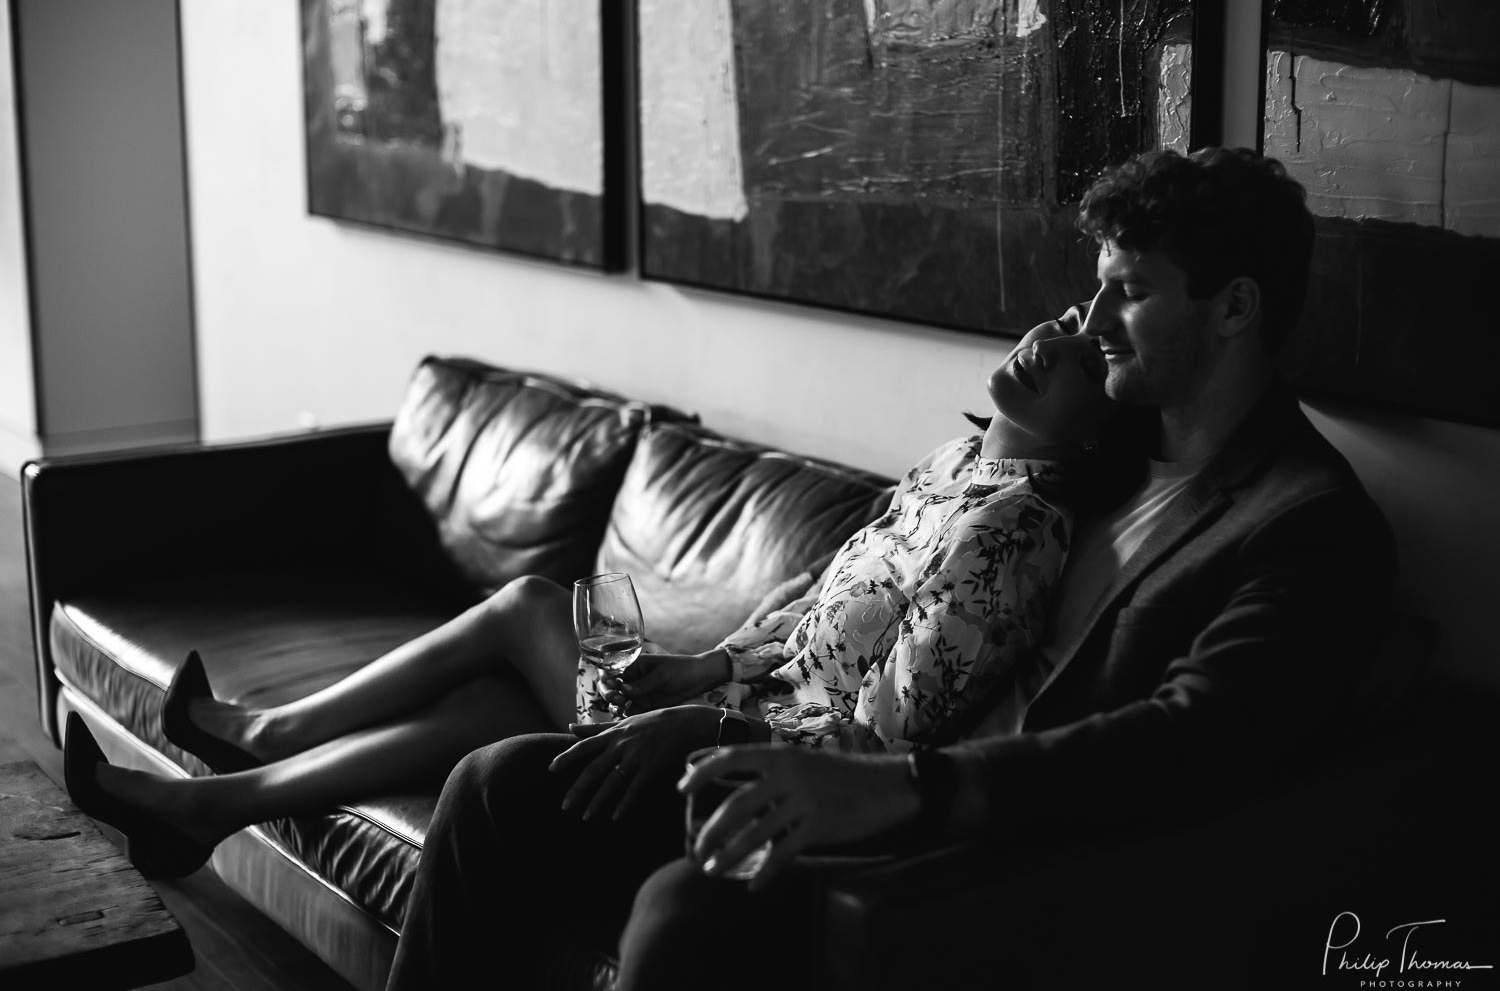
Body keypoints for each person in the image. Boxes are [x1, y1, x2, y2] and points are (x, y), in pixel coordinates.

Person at [382, 146, 1396, 990]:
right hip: (864, 766)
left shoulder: (1306, 526)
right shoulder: (1095, 446)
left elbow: (1185, 742)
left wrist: (899, 788)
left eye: (1128, 292)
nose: (1088, 320)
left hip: (991, 847)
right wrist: (719, 691)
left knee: (687, 907)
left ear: (1235, 308)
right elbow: (883, 571)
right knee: (504, 780)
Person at [61, 314, 1123, 881]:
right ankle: (210, 804)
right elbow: (807, 620)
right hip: (721, 707)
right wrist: (706, 664)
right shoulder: (952, 468)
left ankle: (258, 735)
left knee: (530, 605)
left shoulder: (1022, 529)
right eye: (1066, 310)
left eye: (1085, 345)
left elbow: (890, 730)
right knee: (493, 709)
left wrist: (703, 710)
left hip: (742, 765)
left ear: (1096, 425)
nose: (1052, 330)